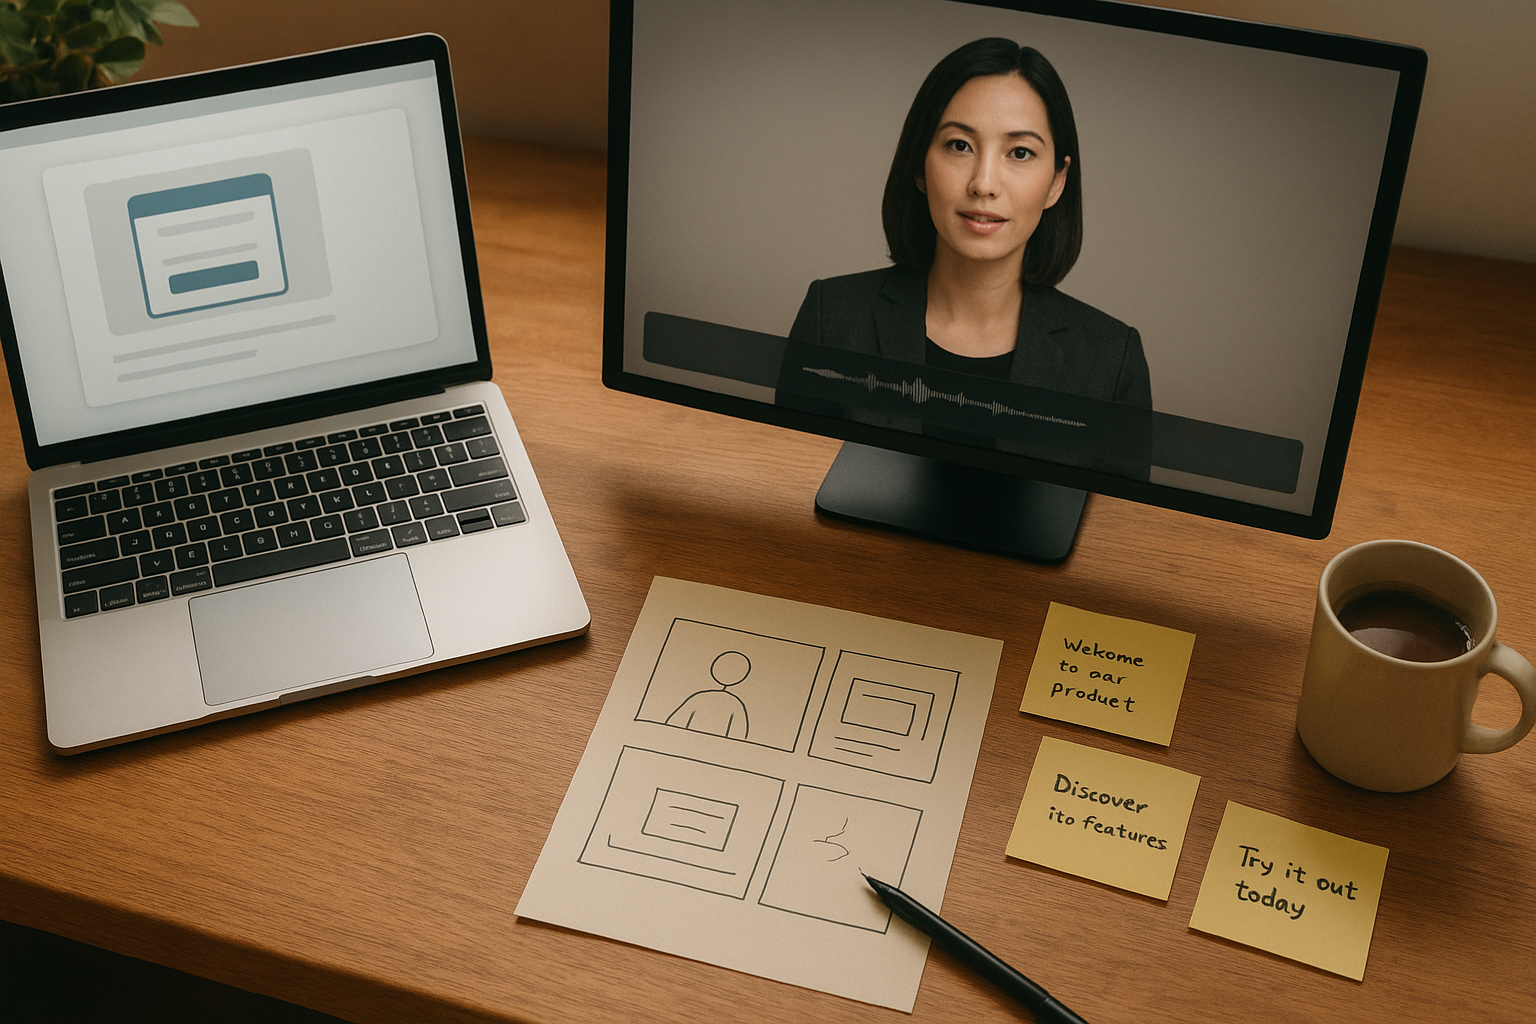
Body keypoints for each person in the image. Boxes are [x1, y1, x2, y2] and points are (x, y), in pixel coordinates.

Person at [788, 38, 1150, 409]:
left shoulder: (1111, 360)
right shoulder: (830, 321)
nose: (984, 184)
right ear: (919, 166)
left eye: (1020, 153)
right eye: (960, 145)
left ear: (1057, 181)